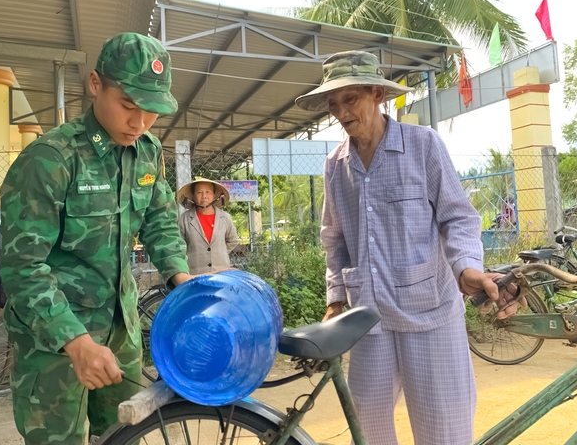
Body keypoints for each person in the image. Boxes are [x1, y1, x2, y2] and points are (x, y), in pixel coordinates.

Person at [294, 50, 521, 445]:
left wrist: (466, 266)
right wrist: (335, 299)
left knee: (443, 428)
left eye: (351, 99)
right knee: (367, 422)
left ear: (377, 95)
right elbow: (335, 238)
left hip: (429, 312)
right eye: (334, 104)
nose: (342, 113)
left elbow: (458, 217)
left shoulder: (423, 145)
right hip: (369, 316)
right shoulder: (335, 165)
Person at [0, 32, 193, 445]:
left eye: (151, 111)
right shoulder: (51, 160)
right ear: (94, 84)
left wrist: (181, 279)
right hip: (54, 341)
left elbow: (158, 219)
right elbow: (21, 266)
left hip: (120, 330)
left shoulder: (146, 151)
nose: (139, 122)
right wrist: (76, 342)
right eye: (128, 105)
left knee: (124, 434)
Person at [177, 178, 239, 274]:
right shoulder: (185, 219)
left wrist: (219, 252)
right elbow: (179, 245)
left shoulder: (225, 218)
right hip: (195, 273)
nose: (204, 196)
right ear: (193, 196)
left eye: (208, 192)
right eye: (199, 193)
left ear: (214, 195)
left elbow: (233, 240)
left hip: (221, 271)